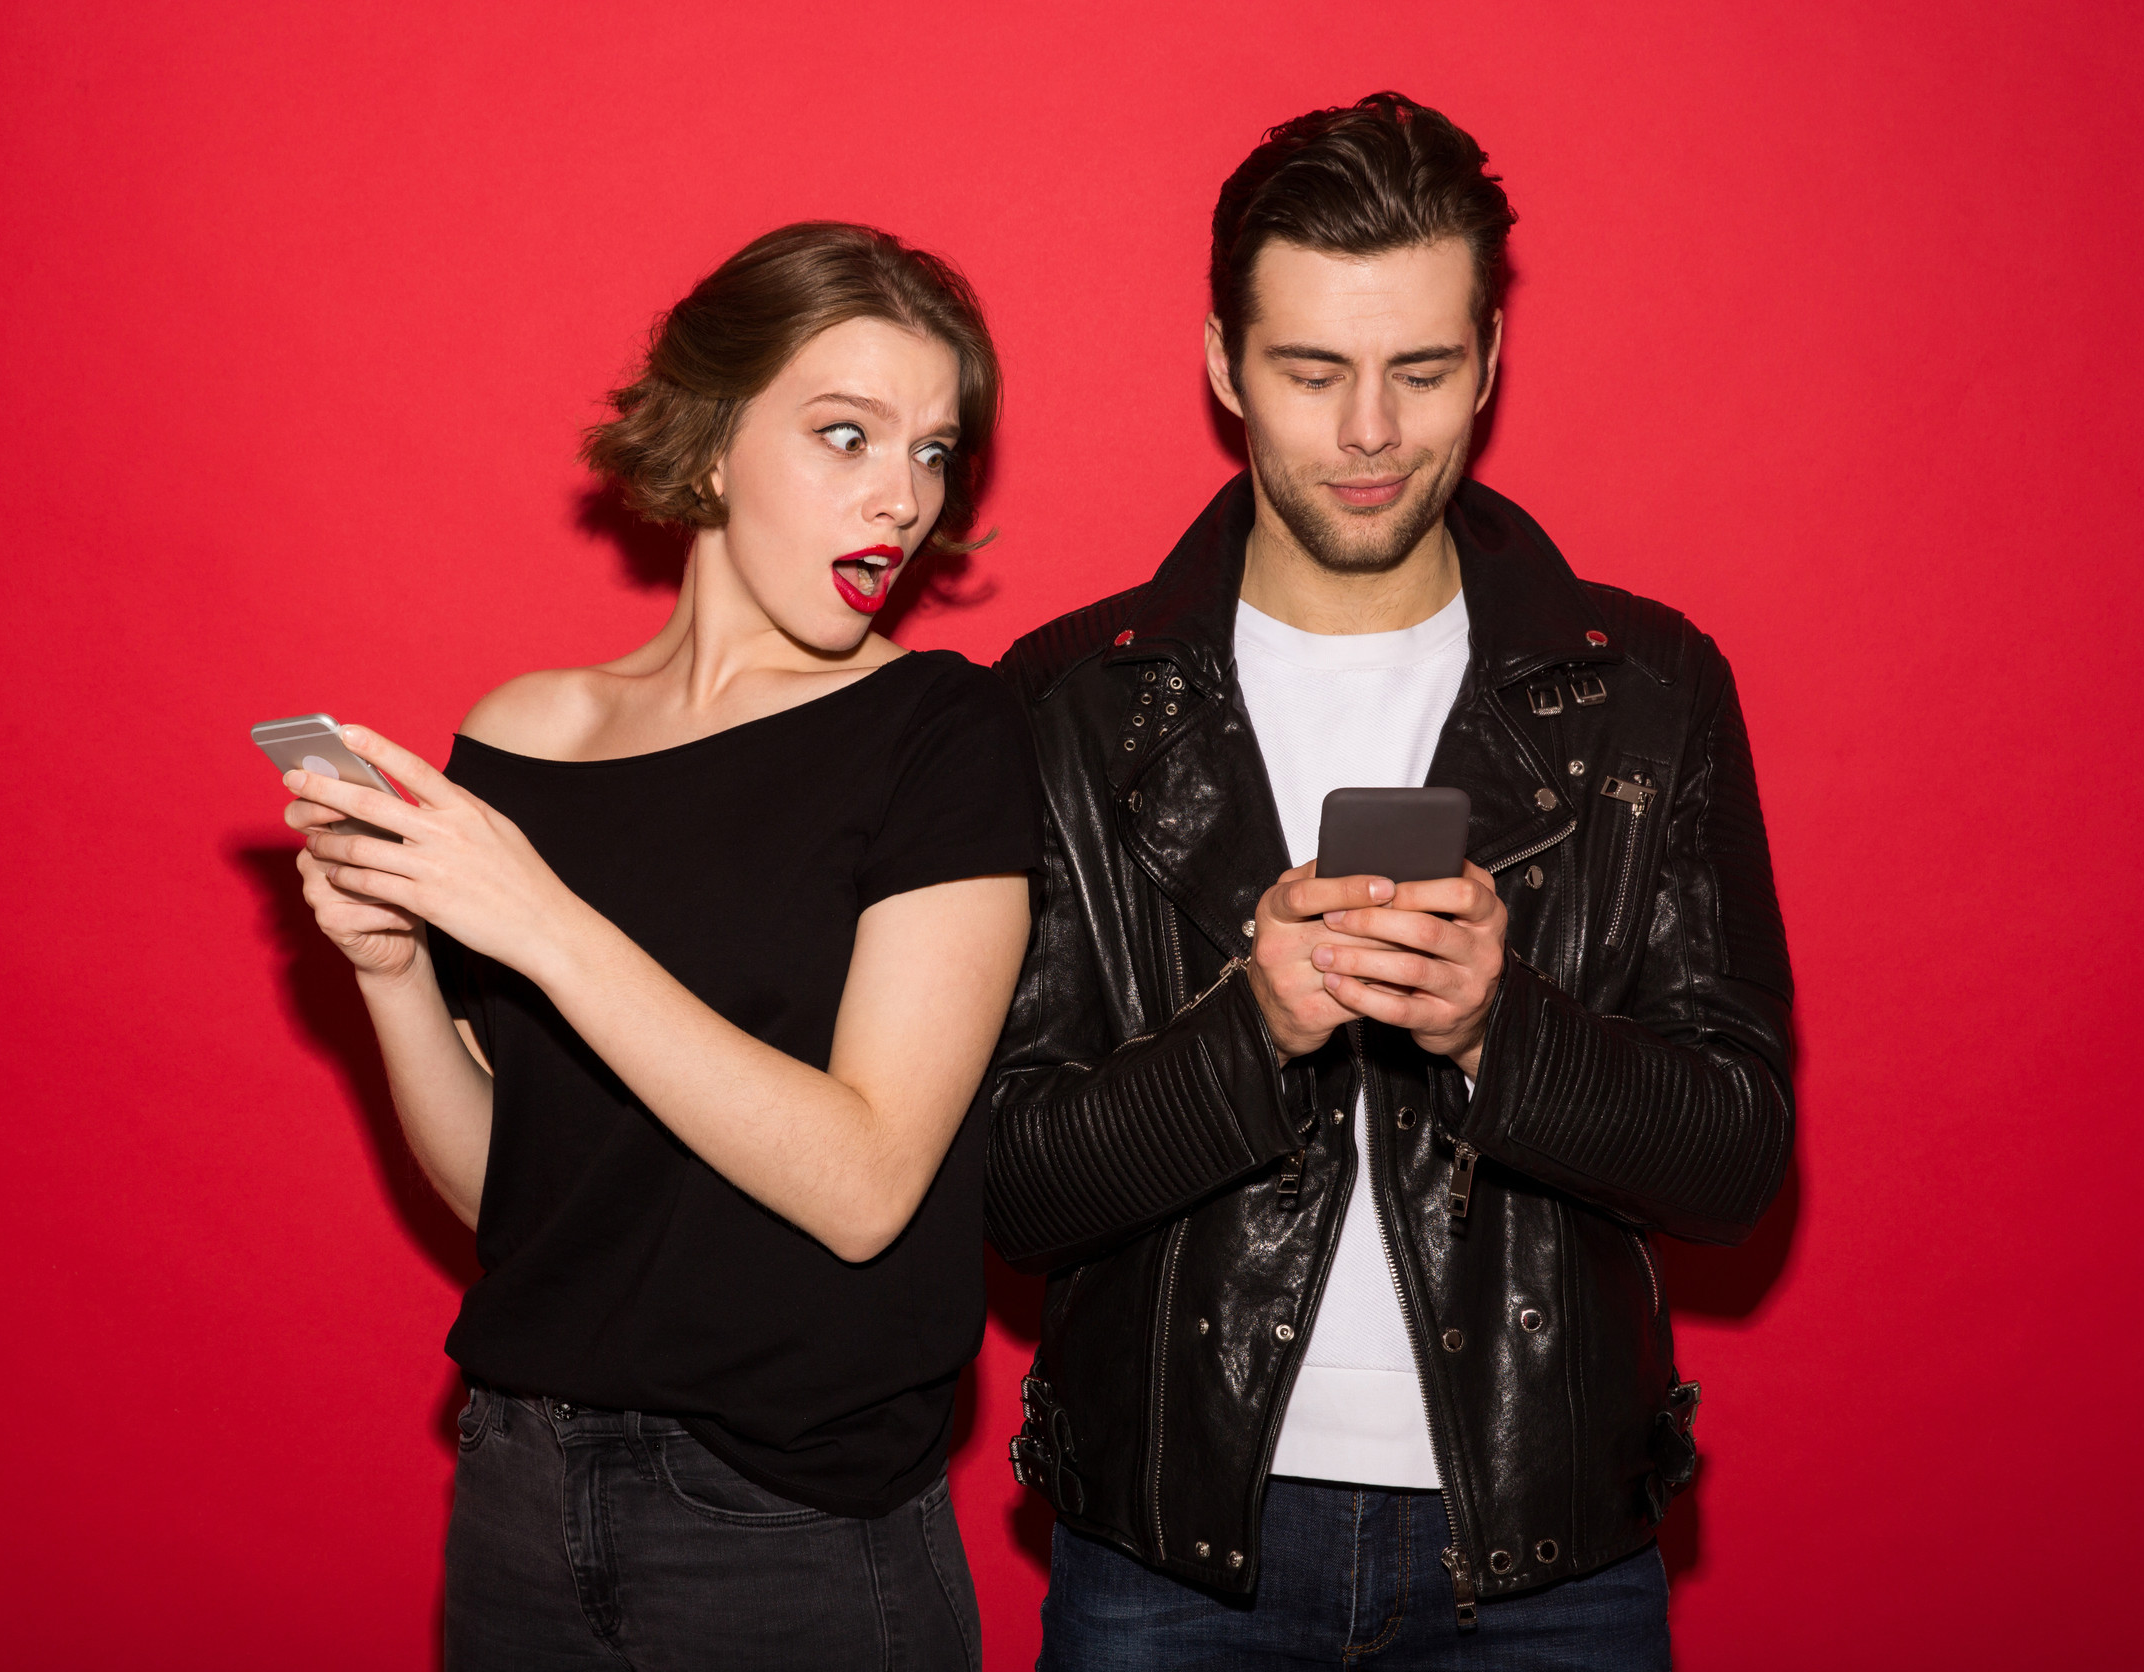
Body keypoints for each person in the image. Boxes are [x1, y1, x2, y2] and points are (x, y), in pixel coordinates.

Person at [989, 94, 1793, 1668]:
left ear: (1490, 360)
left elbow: (1738, 1159)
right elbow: (1011, 1189)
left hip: (1546, 1554)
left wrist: (1505, 1025)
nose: (1369, 431)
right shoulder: (1068, 703)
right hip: (1170, 1555)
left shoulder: (1647, 692)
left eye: (1420, 371)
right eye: (1312, 371)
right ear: (1224, 364)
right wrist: (1248, 1032)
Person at [278, 221, 1039, 1671]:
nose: (900, 497)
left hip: (790, 1530)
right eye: (845, 434)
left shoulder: (940, 735)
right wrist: (392, 979)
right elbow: (513, 1195)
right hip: (517, 1487)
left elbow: (870, 1183)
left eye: (933, 453)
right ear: (706, 443)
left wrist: (547, 927)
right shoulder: (523, 738)